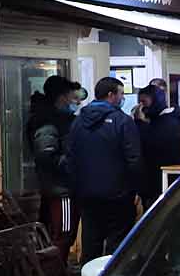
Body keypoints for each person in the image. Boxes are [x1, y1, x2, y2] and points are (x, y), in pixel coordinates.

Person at [67, 76, 142, 262]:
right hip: (118, 195)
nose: (122, 98)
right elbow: (134, 158)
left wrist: (76, 188)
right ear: (111, 95)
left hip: (87, 195)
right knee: (117, 245)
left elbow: (71, 157)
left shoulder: (78, 122)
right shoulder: (122, 122)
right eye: (121, 94)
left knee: (91, 241)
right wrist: (137, 188)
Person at [25, 75, 79, 262]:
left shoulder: (56, 119)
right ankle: (56, 275)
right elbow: (47, 155)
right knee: (62, 233)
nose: (76, 101)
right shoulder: (48, 122)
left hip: (55, 186)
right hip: (60, 188)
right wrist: (74, 161)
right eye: (72, 97)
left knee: (55, 232)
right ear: (62, 97)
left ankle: (53, 274)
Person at [134, 85, 180, 207]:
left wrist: (140, 123)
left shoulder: (168, 122)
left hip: (161, 184)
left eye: (144, 102)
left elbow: (151, 147)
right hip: (152, 184)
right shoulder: (156, 121)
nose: (141, 107)